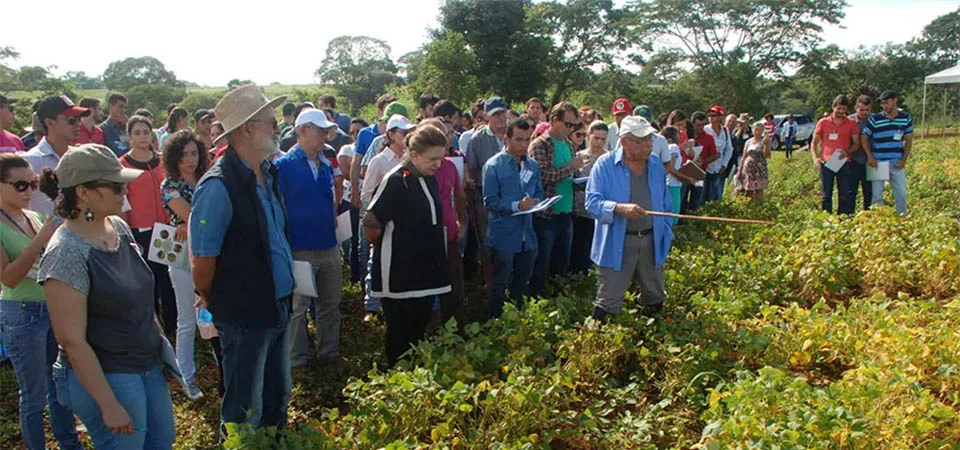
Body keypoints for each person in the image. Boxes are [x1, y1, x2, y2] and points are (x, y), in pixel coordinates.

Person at [38, 144, 175, 449]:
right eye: (114, 185)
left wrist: (160, 350)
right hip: (109, 374)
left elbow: (141, 299)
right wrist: (108, 404)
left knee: (162, 441)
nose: (124, 190)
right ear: (83, 193)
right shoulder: (66, 252)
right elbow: (72, 341)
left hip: (144, 362)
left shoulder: (119, 227)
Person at [190, 85, 295, 437]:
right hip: (245, 315)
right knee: (244, 410)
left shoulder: (268, 173)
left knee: (276, 399)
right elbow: (202, 264)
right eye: (270, 122)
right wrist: (219, 299)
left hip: (277, 305)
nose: (277, 128)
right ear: (248, 129)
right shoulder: (218, 186)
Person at [0, 154, 82, 450]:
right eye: (20, 185)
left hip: (51, 307)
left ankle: (70, 443)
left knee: (60, 385)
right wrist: (42, 236)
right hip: (21, 312)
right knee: (34, 396)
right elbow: (9, 277)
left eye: (33, 184)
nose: (29, 192)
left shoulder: (32, 217)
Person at [362, 125, 451, 367]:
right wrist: (397, 249)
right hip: (400, 276)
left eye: (441, 158)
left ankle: (414, 380)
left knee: (418, 334)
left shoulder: (429, 178)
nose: (438, 164)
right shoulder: (396, 181)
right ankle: (395, 378)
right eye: (433, 159)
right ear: (414, 155)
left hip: (425, 274)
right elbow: (371, 222)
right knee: (400, 338)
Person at [585, 116, 674, 322]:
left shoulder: (655, 165)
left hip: (651, 240)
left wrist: (666, 231)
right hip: (617, 241)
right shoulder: (605, 165)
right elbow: (592, 203)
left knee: (655, 297)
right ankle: (598, 337)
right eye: (642, 141)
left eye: (650, 139)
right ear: (624, 141)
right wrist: (619, 208)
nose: (648, 145)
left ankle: (652, 335)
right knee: (607, 303)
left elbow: (665, 202)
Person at [275, 109, 343, 367]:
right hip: (298, 247)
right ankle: (297, 359)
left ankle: (329, 353)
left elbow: (331, 197)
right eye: (320, 131)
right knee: (298, 308)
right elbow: (278, 205)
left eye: (326, 131)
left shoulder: (325, 163)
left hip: (328, 244)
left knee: (330, 302)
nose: (325, 136)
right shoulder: (283, 166)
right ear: (302, 131)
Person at [160, 130, 221, 401]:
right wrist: (196, 222)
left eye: (194, 153)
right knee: (187, 320)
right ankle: (187, 378)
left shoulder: (208, 179)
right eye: (184, 154)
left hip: (211, 253)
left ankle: (224, 370)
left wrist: (196, 223)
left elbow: (201, 218)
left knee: (213, 315)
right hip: (183, 256)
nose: (190, 159)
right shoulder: (169, 186)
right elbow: (196, 216)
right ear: (174, 158)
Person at [120, 116, 177, 335]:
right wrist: (126, 231)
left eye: (146, 132)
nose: (142, 136)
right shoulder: (123, 164)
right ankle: (153, 326)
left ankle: (172, 325)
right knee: (147, 279)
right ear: (129, 136)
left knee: (168, 278)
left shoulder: (162, 160)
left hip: (165, 228)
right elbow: (122, 200)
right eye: (137, 132)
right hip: (140, 229)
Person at [482, 119, 543, 318]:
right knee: (500, 282)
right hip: (504, 235)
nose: (524, 144)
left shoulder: (532, 165)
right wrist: (516, 205)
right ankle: (495, 321)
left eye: (527, 140)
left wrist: (536, 202)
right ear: (507, 139)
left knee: (522, 281)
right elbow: (489, 200)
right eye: (518, 139)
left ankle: (517, 320)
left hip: (528, 235)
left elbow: (539, 192)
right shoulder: (494, 165)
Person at [359, 114, 416, 322]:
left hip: (404, 222)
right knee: (375, 261)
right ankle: (372, 306)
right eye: (402, 132)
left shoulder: (409, 161)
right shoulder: (379, 161)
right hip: (383, 221)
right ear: (391, 134)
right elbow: (367, 194)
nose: (407, 135)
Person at [527, 102, 584, 297]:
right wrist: (570, 168)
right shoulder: (540, 145)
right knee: (541, 263)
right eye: (568, 124)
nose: (571, 129)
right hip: (546, 215)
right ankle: (536, 299)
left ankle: (557, 299)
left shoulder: (568, 144)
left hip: (566, 212)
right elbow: (542, 176)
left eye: (574, 126)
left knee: (562, 263)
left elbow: (569, 177)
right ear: (554, 120)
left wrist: (581, 181)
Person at [421, 118, 467, 329]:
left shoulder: (449, 166)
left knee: (454, 288)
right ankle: (427, 333)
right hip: (425, 241)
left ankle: (455, 332)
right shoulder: (414, 170)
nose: (445, 139)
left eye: (447, 134)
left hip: (449, 237)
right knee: (426, 290)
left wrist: (462, 221)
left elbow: (459, 194)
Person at [465, 96, 510, 288]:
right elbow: (471, 170)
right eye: (495, 114)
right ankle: (491, 286)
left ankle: (507, 283)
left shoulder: (513, 134)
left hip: (511, 196)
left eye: (502, 113)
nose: (500, 117)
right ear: (486, 116)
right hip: (485, 197)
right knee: (487, 241)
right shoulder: (478, 139)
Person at [23, 95, 90, 217]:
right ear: (49, 122)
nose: (78, 124)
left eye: (79, 119)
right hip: (46, 228)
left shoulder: (82, 157)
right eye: (71, 120)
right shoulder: (30, 161)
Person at [861, 90, 912, 216]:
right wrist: (870, 157)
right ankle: (877, 219)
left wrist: (904, 159)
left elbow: (909, 140)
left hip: (896, 161)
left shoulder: (905, 118)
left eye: (887, 102)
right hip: (878, 162)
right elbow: (864, 138)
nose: (884, 106)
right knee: (876, 195)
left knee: (901, 193)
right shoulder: (875, 119)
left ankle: (902, 218)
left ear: (895, 100)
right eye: (882, 104)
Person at [811, 94, 860, 214]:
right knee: (826, 194)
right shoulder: (823, 122)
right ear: (833, 106)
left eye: (844, 109)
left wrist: (847, 152)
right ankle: (826, 218)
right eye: (839, 108)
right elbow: (814, 143)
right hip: (826, 162)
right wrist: (815, 158)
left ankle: (842, 219)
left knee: (844, 194)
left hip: (843, 161)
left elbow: (856, 144)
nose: (841, 111)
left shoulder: (851, 123)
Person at [570, 121, 607, 274]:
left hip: (600, 212)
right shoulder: (579, 156)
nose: (599, 142)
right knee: (579, 248)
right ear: (588, 136)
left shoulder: (608, 158)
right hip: (579, 209)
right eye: (596, 138)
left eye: (603, 139)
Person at [659, 126, 695, 221]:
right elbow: (671, 168)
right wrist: (686, 178)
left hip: (668, 184)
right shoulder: (673, 147)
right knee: (673, 217)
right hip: (672, 185)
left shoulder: (665, 148)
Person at [688, 111, 719, 210]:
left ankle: (694, 215)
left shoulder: (708, 137)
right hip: (685, 172)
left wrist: (704, 161)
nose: (701, 128)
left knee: (697, 198)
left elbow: (715, 155)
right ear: (692, 124)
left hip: (699, 173)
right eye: (698, 125)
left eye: (703, 125)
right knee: (683, 196)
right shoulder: (686, 135)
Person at [849, 95, 874, 211]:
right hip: (853, 160)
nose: (865, 113)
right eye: (862, 110)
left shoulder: (875, 120)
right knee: (851, 190)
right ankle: (850, 215)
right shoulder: (849, 121)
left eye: (867, 110)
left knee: (870, 191)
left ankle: (868, 215)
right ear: (856, 108)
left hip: (871, 161)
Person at [703, 106, 733, 201]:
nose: (711, 118)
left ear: (720, 117)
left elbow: (729, 149)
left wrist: (724, 164)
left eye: (714, 115)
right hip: (706, 167)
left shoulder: (725, 131)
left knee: (716, 194)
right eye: (709, 115)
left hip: (719, 167)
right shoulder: (705, 129)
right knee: (703, 194)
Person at [736, 122, 771, 202]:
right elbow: (744, 156)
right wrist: (740, 170)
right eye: (756, 130)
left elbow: (766, 155)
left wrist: (767, 144)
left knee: (759, 190)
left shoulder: (764, 141)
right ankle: (750, 205)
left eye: (760, 130)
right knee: (749, 190)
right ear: (752, 130)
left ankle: (760, 205)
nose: (758, 132)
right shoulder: (748, 142)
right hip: (749, 170)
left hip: (760, 169)